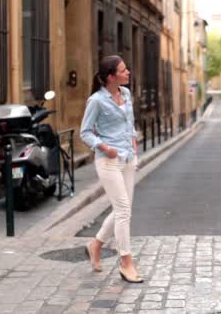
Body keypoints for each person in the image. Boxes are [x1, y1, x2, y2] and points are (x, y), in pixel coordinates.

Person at [80, 55, 143, 283]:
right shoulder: (96, 101)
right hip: (108, 161)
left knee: (121, 210)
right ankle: (126, 262)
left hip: (128, 159)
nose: (128, 73)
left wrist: (134, 147)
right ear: (111, 77)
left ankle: (95, 245)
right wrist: (104, 147)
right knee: (124, 210)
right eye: (123, 70)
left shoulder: (125, 94)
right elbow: (85, 132)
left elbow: (130, 124)